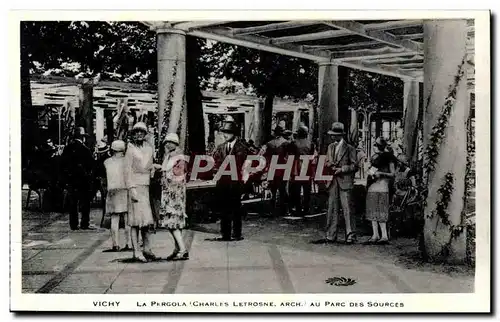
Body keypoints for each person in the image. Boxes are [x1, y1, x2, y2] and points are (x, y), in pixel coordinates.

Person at [313, 122, 358, 244]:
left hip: (345, 181)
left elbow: (355, 165)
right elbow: (327, 161)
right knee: (332, 208)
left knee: (347, 208)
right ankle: (331, 235)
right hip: (333, 181)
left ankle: (350, 235)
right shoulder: (330, 147)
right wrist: (330, 165)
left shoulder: (350, 148)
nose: (332, 137)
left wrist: (342, 169)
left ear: (340, 135)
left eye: (334, 135)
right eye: (332, 134)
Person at [211, 120, 250, 241]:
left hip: (235, 182)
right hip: (223, 182)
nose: (225, 135)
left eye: (228, 132)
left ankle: (237, 233)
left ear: (234, 134)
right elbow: (215, 162)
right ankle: (225, 234)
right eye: (224, 132)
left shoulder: (242, 148)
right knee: (223, 208)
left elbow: (241, 165)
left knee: (236, 208)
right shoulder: (220, 147)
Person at [124, 122, 156, 262]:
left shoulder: (149, 148)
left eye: (141, 132)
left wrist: (153, 169)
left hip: (146, 186)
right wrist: (131, 188)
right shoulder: (130, 149)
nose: (139, 134)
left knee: (146, 220)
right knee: (135, 221)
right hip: (135, 186)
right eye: (136, 132)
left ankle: (147, 248)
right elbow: (127, 170)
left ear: (145, 134)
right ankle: (136, 250)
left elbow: (149, 164)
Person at [157, 133, 189, 261]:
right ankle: (177, 249)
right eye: (167, 142)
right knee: (173, 223)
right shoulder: (169, 156)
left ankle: (182, 249)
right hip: (169, 193)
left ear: (176, 144)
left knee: (173, 223)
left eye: (171, 142)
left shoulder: (178, 157)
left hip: (174, 194)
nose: (168, 144)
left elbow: (178, 176)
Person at [60, 127, 95, 230]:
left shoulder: (67, 148)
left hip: (71, 179)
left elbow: (61, 164)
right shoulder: (85, 149)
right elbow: (91, 165)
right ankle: (84, 223)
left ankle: (73, 224)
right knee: (85, 202)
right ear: (82, 137)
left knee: (73, 203)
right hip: (83, 180)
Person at [363, 137, 396, 245]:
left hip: (383, 186)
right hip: (373, 186)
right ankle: (375, 234)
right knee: (373, 210)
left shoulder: (389, 158)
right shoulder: (374, 157)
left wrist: (382, 174)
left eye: (377, 145)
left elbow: (393, 174)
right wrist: (368, 170)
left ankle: (384, 235)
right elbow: (370, 171)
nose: (375, 147)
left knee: (381, 210)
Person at [103, 140, 132, 252]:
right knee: (127, 218)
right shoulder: (127, 161)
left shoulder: (107, 162)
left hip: (112, 191)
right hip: (125, 190)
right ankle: (128, 243)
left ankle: (115, 244)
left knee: (114, 219)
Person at [260, 125, 290, 217]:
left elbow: (265, 156)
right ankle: (284, 210)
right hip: (283, 168)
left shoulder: (269, 144)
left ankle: (272, 210)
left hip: (272, 168)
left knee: (273, 189)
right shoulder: (286, 143)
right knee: (283, 190)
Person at [288, 125, 315, 217]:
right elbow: (312, 155)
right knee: (307, 189)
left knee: (296, 189)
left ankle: (298, 208)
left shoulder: (293, 143)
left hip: (297, 167)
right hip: (307, 167)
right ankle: (306, 208)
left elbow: (290, 156)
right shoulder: (311, 143)